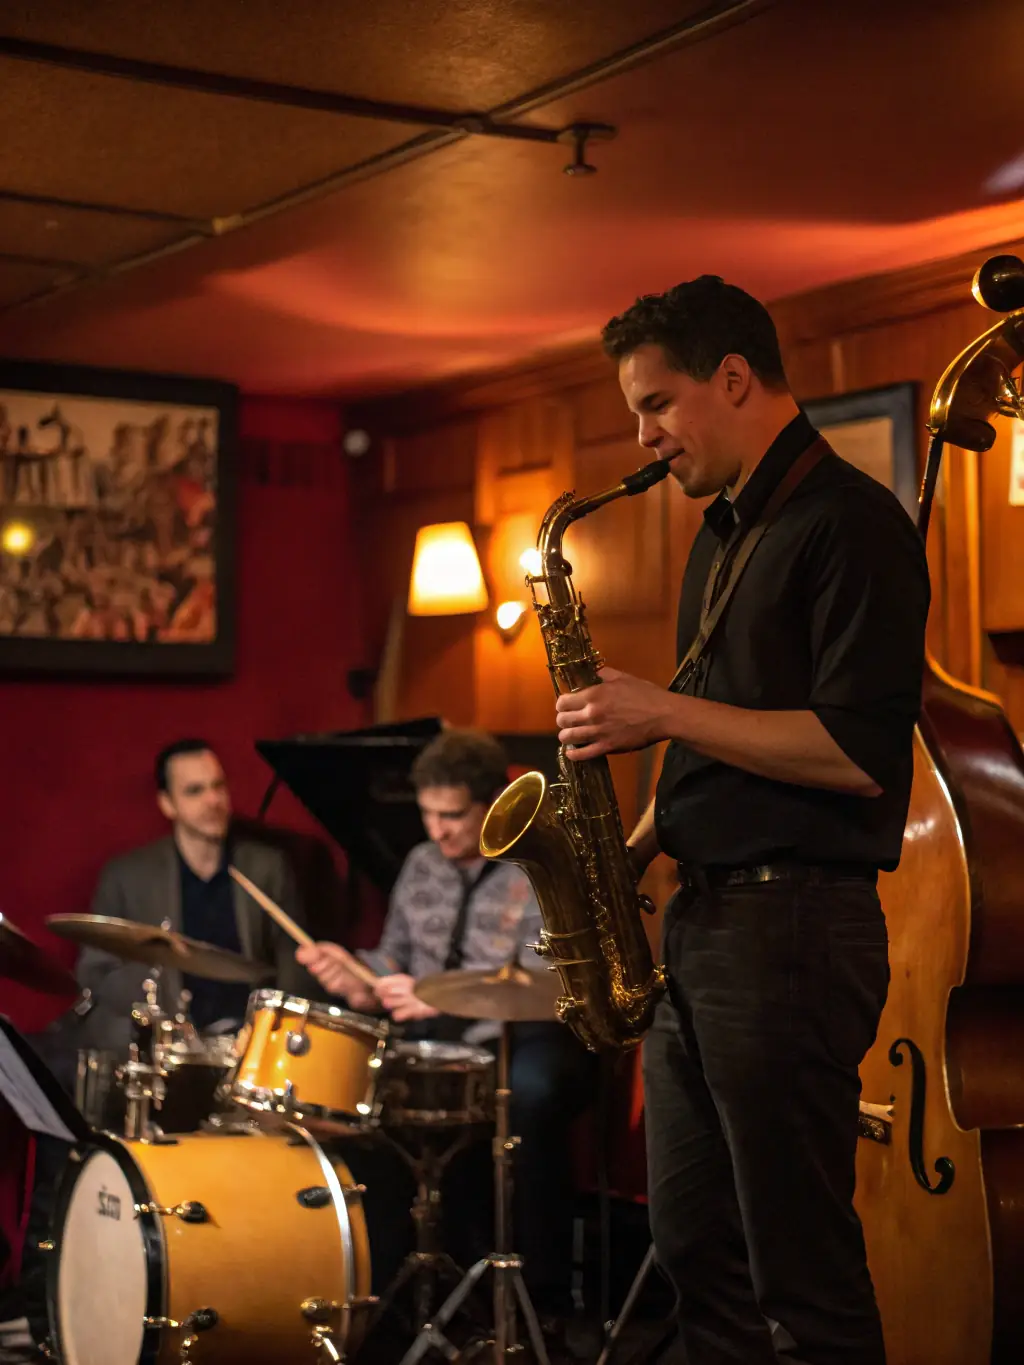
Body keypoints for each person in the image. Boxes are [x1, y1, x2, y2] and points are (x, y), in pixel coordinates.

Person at [552, 276, 930, 1364]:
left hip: (793, 929)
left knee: (801, 1275)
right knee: (692, 1249)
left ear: (731, 378)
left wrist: (659, 712)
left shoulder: (850, 522)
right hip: (708, 926)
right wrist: (627, 851)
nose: (644, 436)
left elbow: (858, 756)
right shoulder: (723, 532)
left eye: (656, 404)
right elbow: (722, 729)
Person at [299, 728, 597, 1332]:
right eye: (428, 815)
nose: (437, 831)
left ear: (491, 805)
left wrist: (430, 994)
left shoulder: (537, 863)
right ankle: (403, 1281)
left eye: (452, 816)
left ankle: (541, 1293)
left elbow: (544, 980)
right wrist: (358, 974)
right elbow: (396, 956)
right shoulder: (420, 863)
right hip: (439, 1029)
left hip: (526, 1032)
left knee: (529, 1095)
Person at [76, 737, 316, 1054]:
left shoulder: (267, 868)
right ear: (167, 803)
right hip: (168, 1052)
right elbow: (96, 975)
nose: (213, 800)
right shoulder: (127, 877)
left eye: (218, 786)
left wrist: (269, 1039)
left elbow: (296, 972)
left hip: (250, 1050)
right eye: (195, 791)